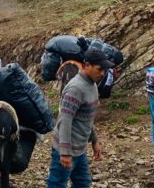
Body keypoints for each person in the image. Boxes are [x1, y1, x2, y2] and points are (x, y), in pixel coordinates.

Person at [47, 48, 110, 188]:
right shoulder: (75, 89)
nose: (102, 73)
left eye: (104, 70)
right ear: (87, 65)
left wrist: (94, 141)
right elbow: (64, 121)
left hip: (80, 150)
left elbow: (88, 117)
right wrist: (65, 153)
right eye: (99, 69)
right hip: (66, 149)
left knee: (83, 183)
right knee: (57, 184)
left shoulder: (92, 84)